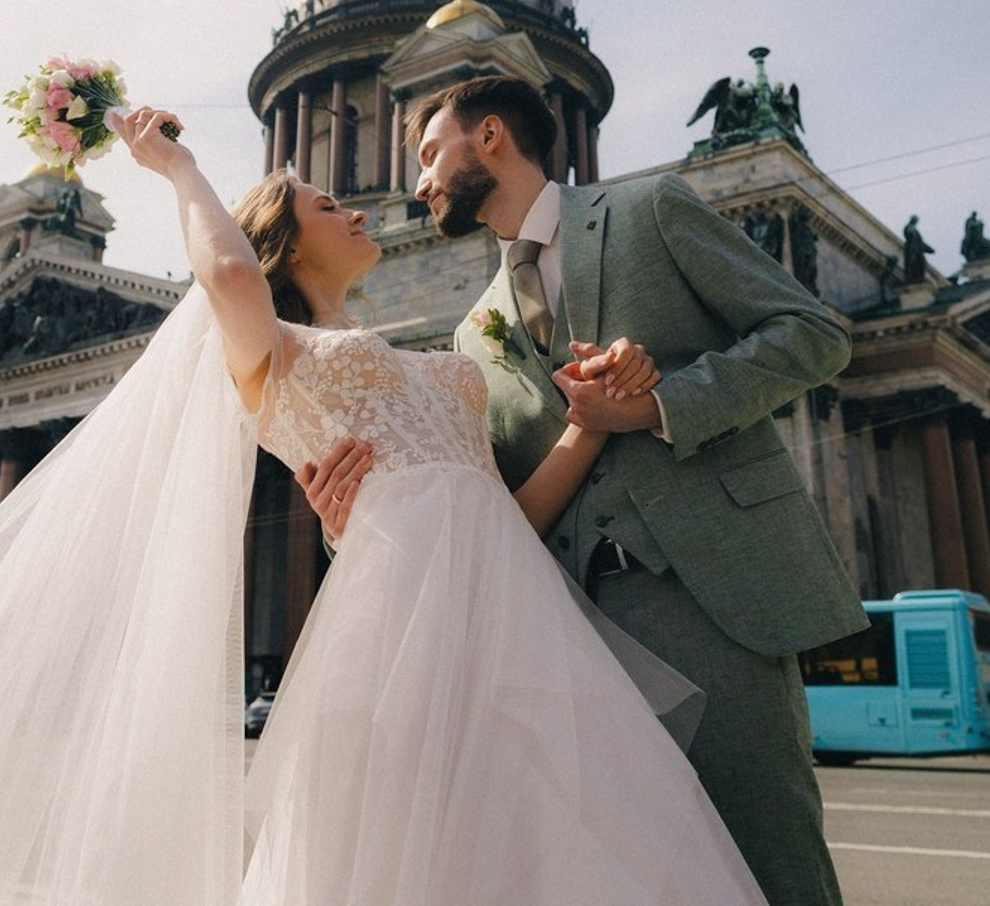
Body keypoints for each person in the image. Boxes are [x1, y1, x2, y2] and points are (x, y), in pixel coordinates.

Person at [0, 107, 764, 905]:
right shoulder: (270, 354)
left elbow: (508, 515)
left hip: (513, 624)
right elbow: (228, 273)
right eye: (330, 200)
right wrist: (174, 168)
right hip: (397, 634)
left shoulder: (440, 346)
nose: (363, 207)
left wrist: (590, 421)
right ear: (286, 240)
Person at [306, 76, 867, 905]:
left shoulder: (649, 210)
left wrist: (660, 403)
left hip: (710, 598)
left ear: (489, 135)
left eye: (429, 153)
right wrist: (345, 522)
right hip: (568, 634)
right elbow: (472, 492)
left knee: (767, 856)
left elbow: (813, 335)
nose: (417, 184)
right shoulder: (473, 330)